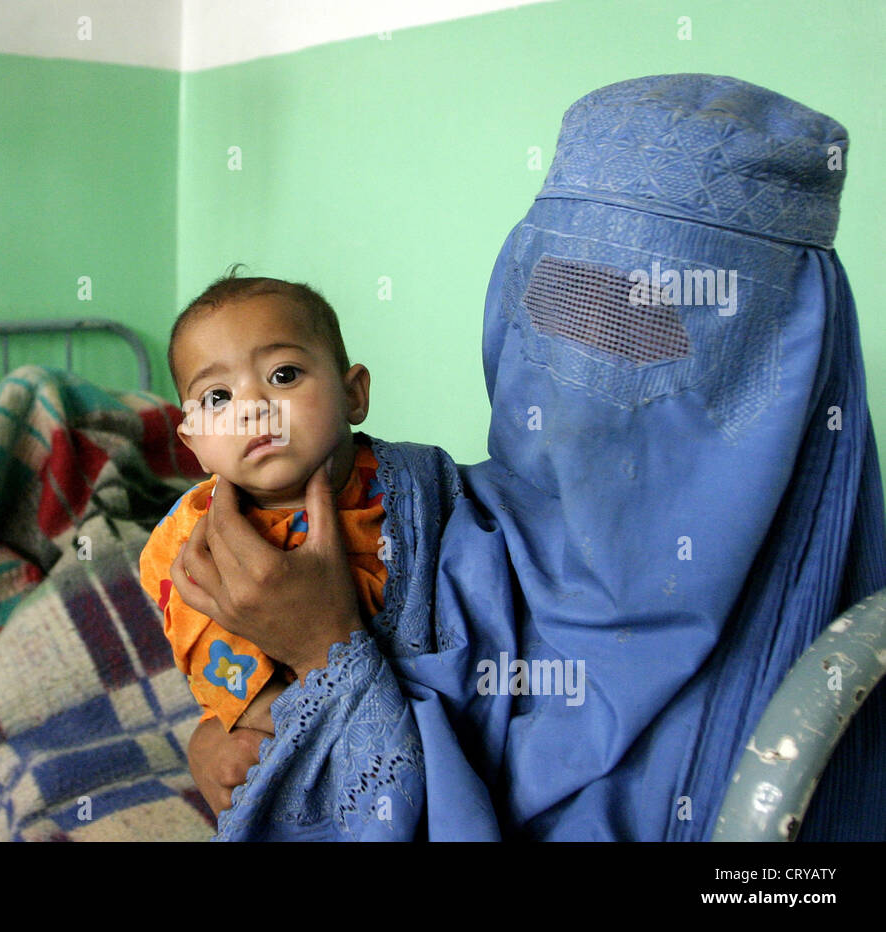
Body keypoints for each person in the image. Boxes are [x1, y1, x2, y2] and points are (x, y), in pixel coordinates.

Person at [175, 75, 886, 841]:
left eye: (661, 322)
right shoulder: (446, 522)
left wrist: (326, 650)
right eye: (566, 303)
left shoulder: (812, 691)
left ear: (784, 370)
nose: (593, 359)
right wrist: (229, 730)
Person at [139, 276, 393, 738]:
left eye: (284, 375)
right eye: (218, 397)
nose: (252, 407)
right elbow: (197, 635)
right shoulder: (191, 536)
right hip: (289, 720)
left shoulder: (410, 488)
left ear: (353, 395)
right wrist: (259, 714)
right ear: (195, 444)